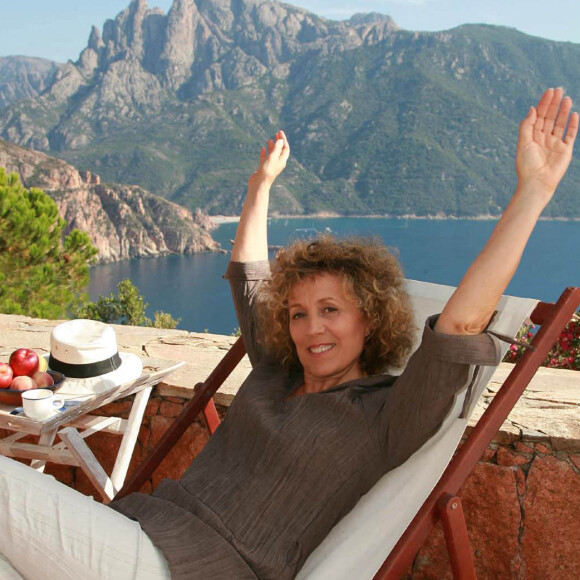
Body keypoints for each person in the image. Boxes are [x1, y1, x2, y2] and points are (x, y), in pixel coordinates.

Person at [0, 88, 577, 580]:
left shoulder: (388, 416)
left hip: (184, 568)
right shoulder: (278, 369)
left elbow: (460, 326)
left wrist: (533, 193)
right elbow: (250, 276)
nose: (311, 327)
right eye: (298, 313)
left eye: (331, 309)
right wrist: (261, 184)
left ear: (370, 318)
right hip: (135, 529)